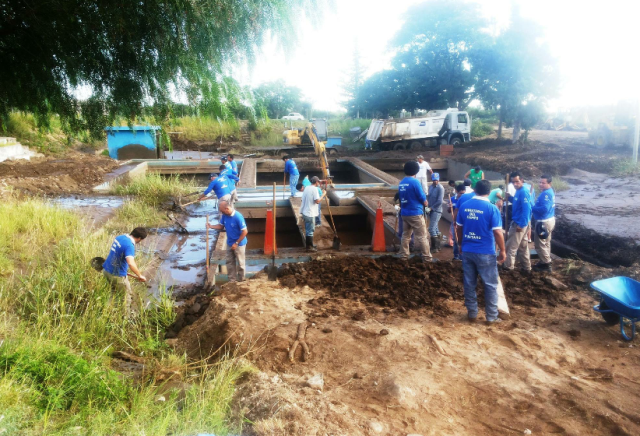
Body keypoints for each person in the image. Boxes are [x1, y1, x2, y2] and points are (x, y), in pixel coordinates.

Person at [455, 180, 507, 324]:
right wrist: (502, 250)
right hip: (486, 252)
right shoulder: (492, 208)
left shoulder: (464, 206)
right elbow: (497, 232)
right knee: (490, 284)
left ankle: (472, 314)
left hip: (467, 250)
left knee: (469, 283)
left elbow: (458, 228)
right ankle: (491, 317)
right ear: (489, 192)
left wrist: (460, 244)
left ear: (475, 190)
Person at [102, 227, 148, 317]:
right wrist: (140, 275)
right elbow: (131, 263)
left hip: (106, 270)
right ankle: (125, 319)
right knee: (126, 297)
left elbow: (117, 254)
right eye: (141, 240)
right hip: (117, 275)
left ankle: (106, 312)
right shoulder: (129, 246)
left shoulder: (120, 237)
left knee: (113, 292)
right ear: (139, 238)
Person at [398, 161, 432, 262]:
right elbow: (421, 196)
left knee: (405, 235)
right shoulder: (415, 182)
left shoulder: (401, 182)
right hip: (415, 213)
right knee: (422, 236)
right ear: (416, 171)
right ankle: (427, 258)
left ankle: (404, 256)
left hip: (404, 213)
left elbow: (401, 198)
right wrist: (426, 202)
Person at [207, 200, 248, 282]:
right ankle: (232, 280)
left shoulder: (238, 217)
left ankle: (242, 280)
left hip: (239, 244)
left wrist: (236, 243)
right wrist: (211, 226)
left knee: (240, 263)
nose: (222, 213)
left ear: (227, 208)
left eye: (222, 211)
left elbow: (245, 231)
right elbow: (221, 226)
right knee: (229, 262)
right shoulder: (225, 216)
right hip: (229, 243)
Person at [503, 171, 533, 271]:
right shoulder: (518, 191)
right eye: (513, 182)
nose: (515, 184)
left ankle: (508, 267)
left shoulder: (524, 191)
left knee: (511, 246)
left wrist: (522, 224)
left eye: (517, 182)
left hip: (520, 223)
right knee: (523, 247)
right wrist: (510, 198)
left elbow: (526, 209)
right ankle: (527, 267)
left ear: (522, 180)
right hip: (520, 222)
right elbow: (517, 203)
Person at [532, 175, 556, 272]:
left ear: (549, 183)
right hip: (549, 220)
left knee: (539, 244)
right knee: (546, 242)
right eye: (540, 182)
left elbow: (544, 209)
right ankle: (544, 261)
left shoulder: (546, 194)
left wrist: (532, 207)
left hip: (543, 222)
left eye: (543, 183)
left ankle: (546, 264)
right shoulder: (549, 192)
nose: (540, 184)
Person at [298, 176, 326, 251]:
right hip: (310, 213)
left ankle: (310, 245)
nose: (319, 183)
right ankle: (309, 247)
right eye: (318, 182)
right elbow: (317, 201)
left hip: (305, 212)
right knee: (310, 231)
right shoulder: (314, 189)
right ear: (316, 182)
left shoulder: (307, 188)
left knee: (309, 229)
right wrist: (324, 194)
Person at [427, 172, 444, 252]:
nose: (435, 181)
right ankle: (438, 245)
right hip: (431, 210)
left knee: (431, 228)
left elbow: (440, 201)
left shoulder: (440, 188)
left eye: (436, 180)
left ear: (439, 179)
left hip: (436, 210)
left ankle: (435, 247)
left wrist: (431, 208)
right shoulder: (430, 187)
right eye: (434, 180)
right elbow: (429, 197)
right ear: (432, 180)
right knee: (436, 228)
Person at [450, 183, 468, 261]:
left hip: (463, 223)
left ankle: (462, 256)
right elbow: (449, 211)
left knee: (462, 239)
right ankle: (456, 256)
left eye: (464, 193)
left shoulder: (466, 200)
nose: (462, 195)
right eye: (461, 193)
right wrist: (449, 207)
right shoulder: (452, 199)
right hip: (455, 222)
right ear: (456, 191)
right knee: (455, 239)